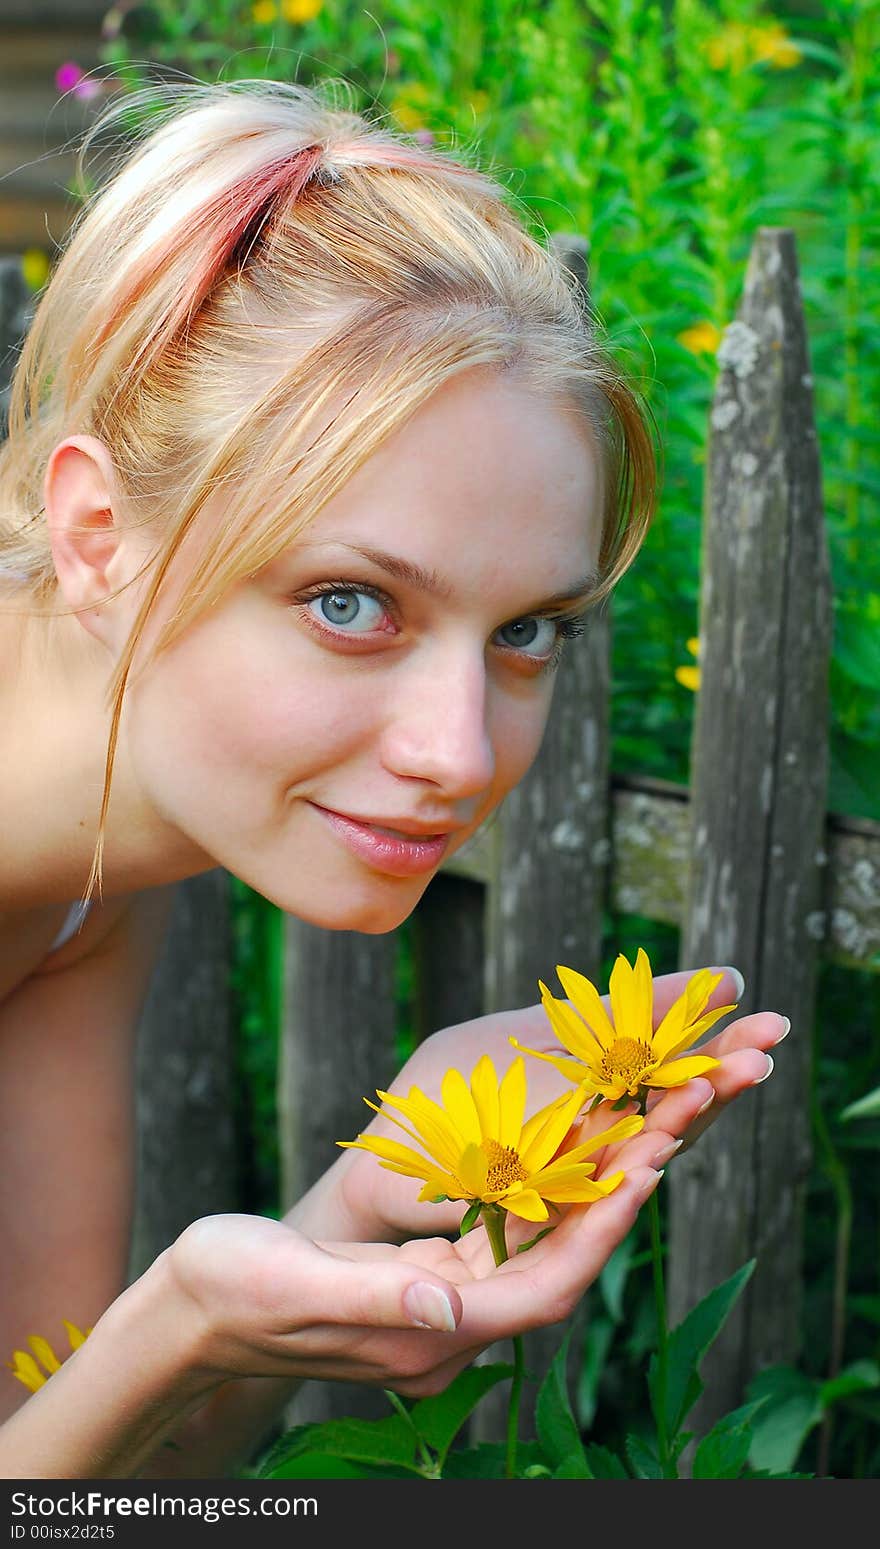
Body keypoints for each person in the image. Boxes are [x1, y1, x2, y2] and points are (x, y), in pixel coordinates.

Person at [0, 78, 785, 1479]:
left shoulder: (88, 885)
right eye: (351, 602)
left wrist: (349, 1215)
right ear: (98, 535)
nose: (464, 753)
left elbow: (89, 1485)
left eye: (526, 631)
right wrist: (173, 1318)